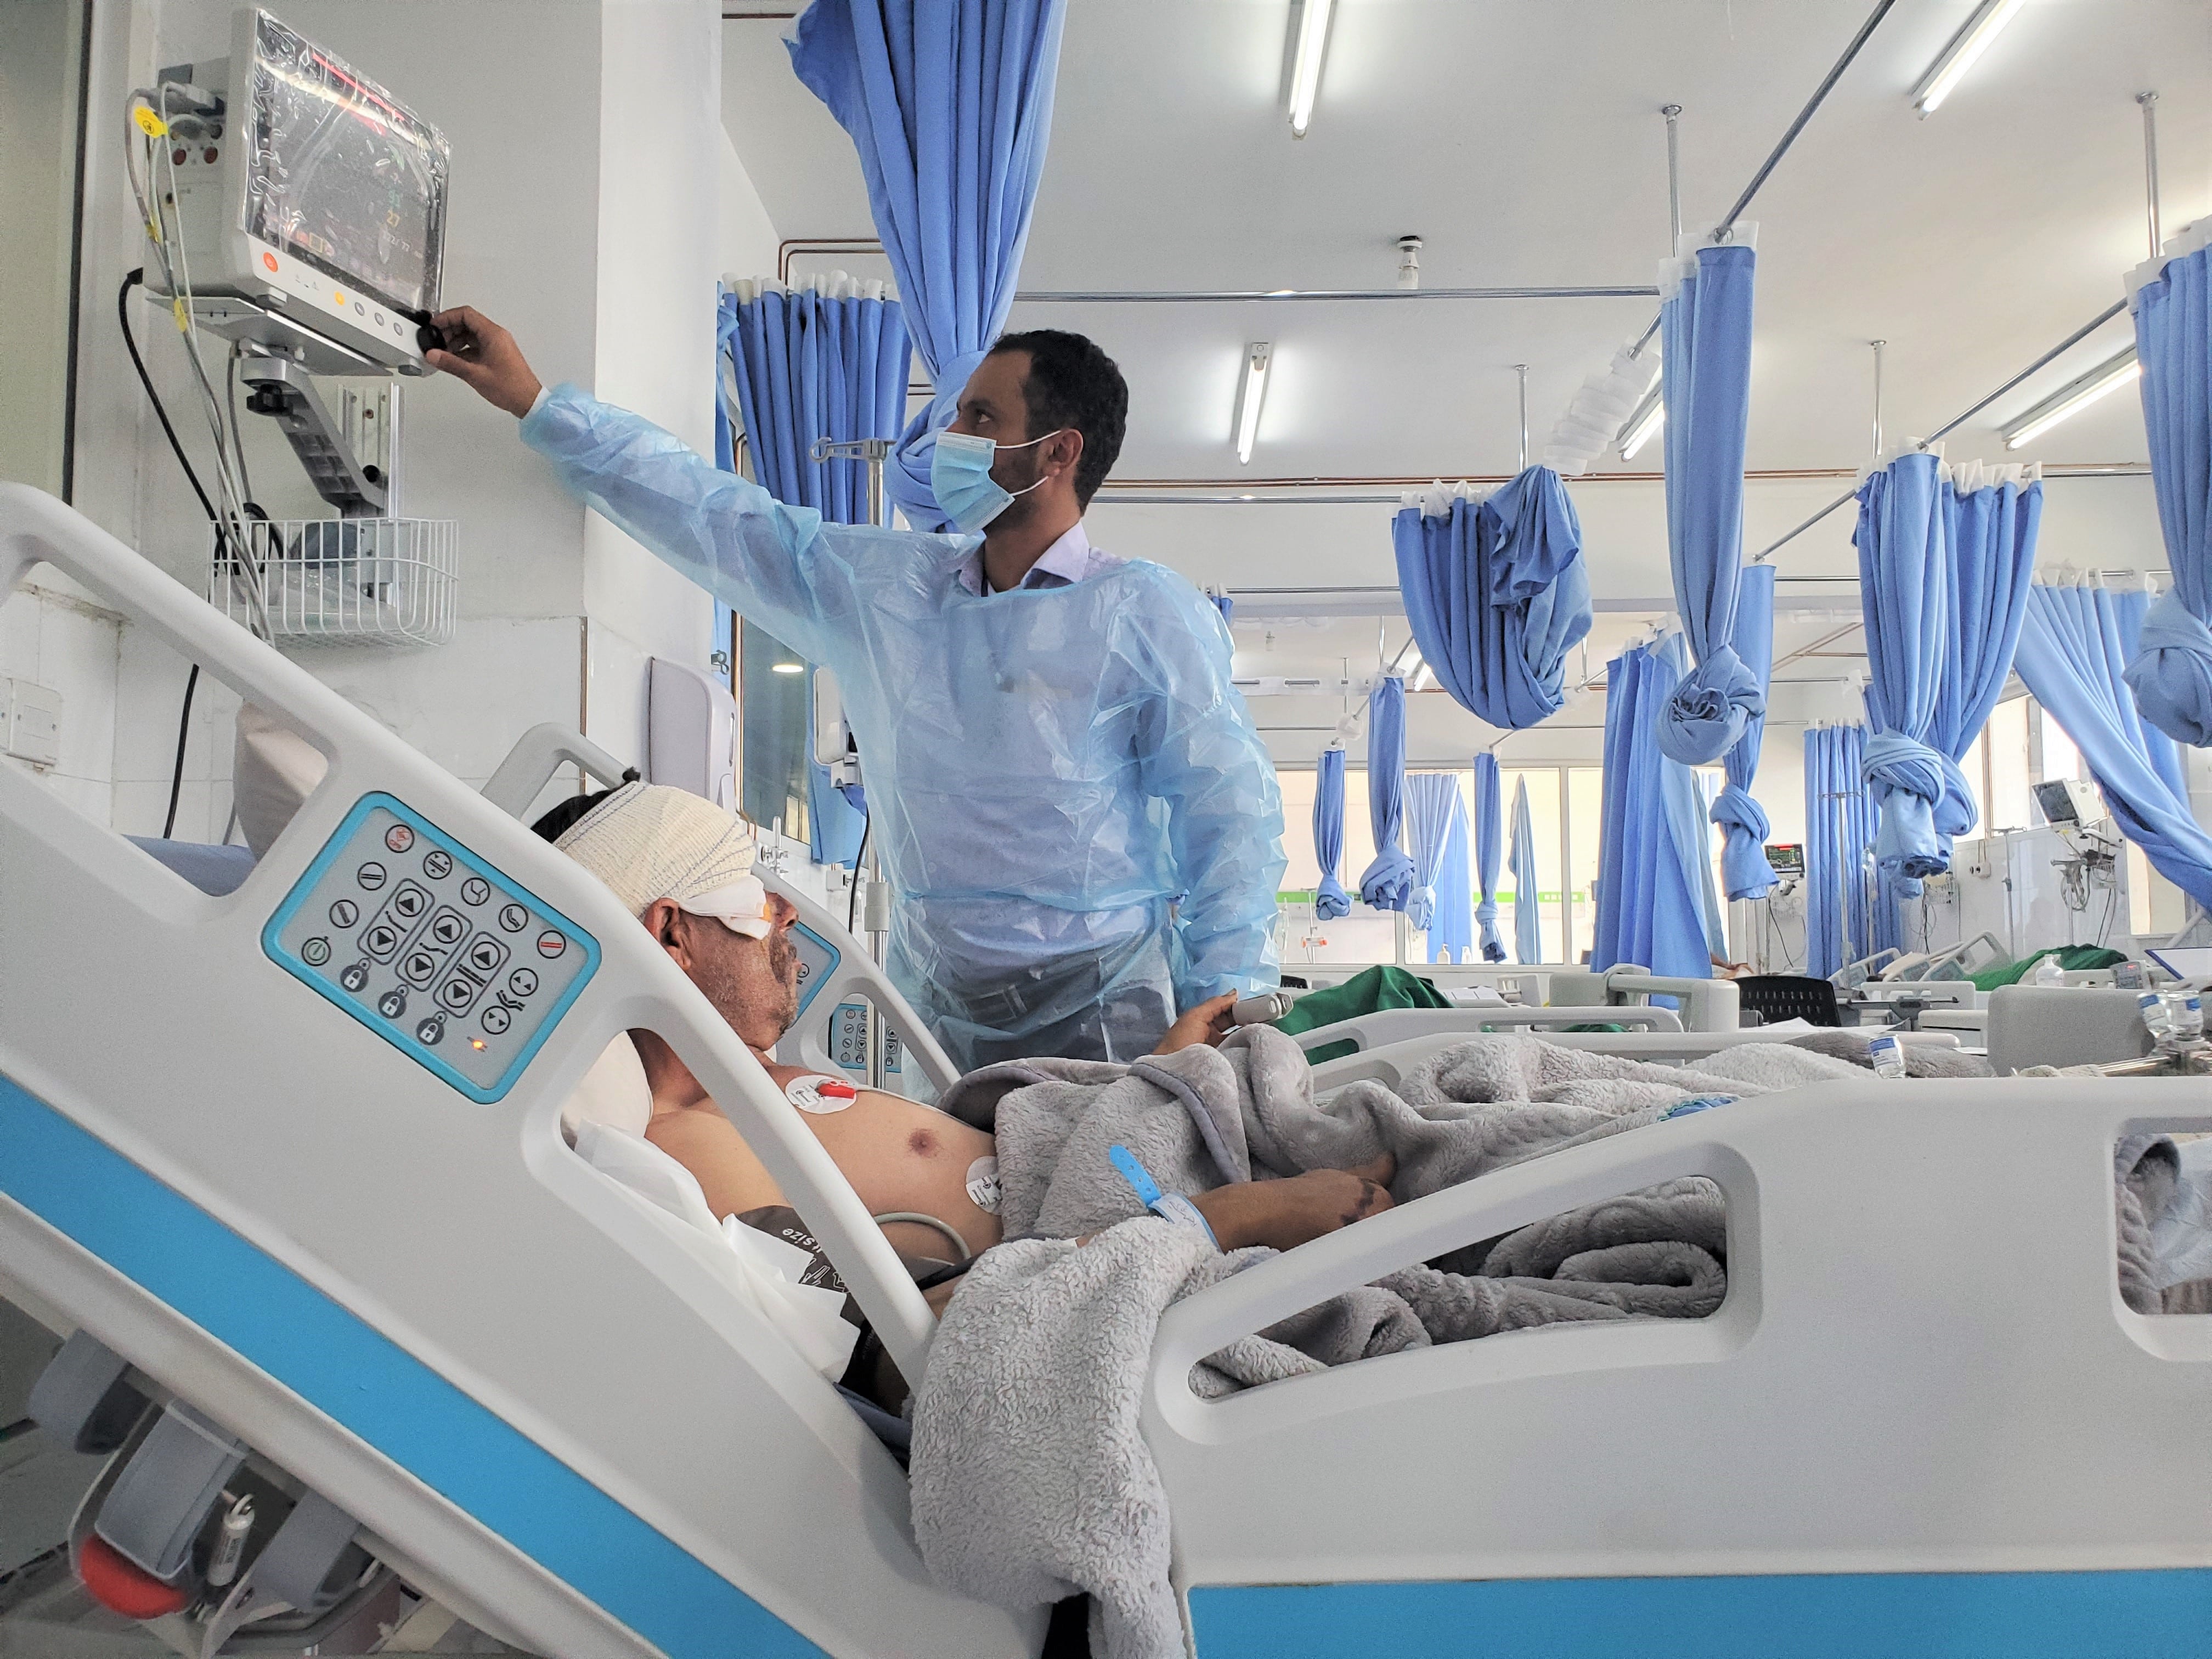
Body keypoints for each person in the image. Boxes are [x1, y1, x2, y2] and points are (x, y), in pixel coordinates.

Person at [432, 310, 1286, 1072]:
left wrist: (1228, 1002)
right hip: (939, 1002)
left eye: (980, 419)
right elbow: (718, 516)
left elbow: (1231, 812)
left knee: (1117, 1184)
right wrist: (537, 404)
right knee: (956, 1191)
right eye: (957, 413)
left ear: (1058, 453)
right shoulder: (892, 592)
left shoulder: (1142, 611)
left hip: (1106, 1004)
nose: (949, 436)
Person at [546, 782, 1389, 1297]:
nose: (787, 915)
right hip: (1128, 1240)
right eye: (755, 899)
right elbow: (902, 1342)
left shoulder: (749, 1078)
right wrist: (1225, 1220)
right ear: (672, 933)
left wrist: (1156, 1074)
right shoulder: (696, 1148)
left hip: (1129, 1174)